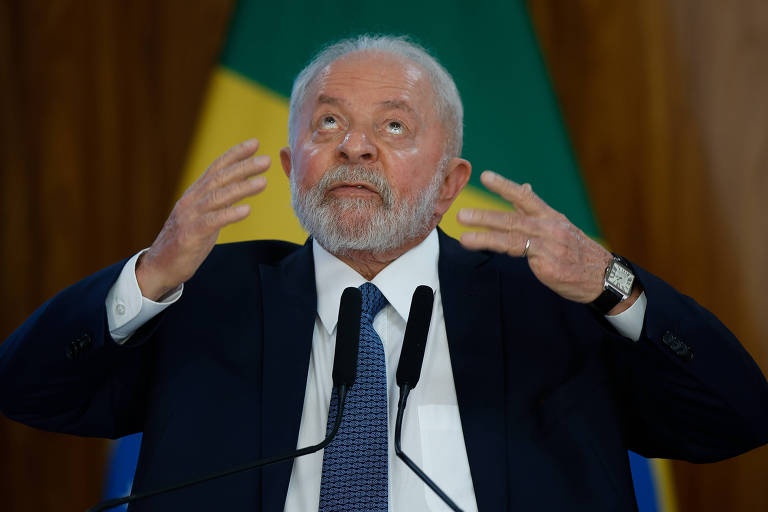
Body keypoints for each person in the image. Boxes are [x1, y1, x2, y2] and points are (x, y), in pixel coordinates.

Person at [1, 35, 766, 512]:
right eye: (328, 122)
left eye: (394, 125)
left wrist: (614, 286)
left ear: (451, 182)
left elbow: (735, 418)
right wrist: (150, 275)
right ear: (292, 167)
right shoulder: (206, 295)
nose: (355, 147)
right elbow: (28, 390)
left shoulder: (550, 302)